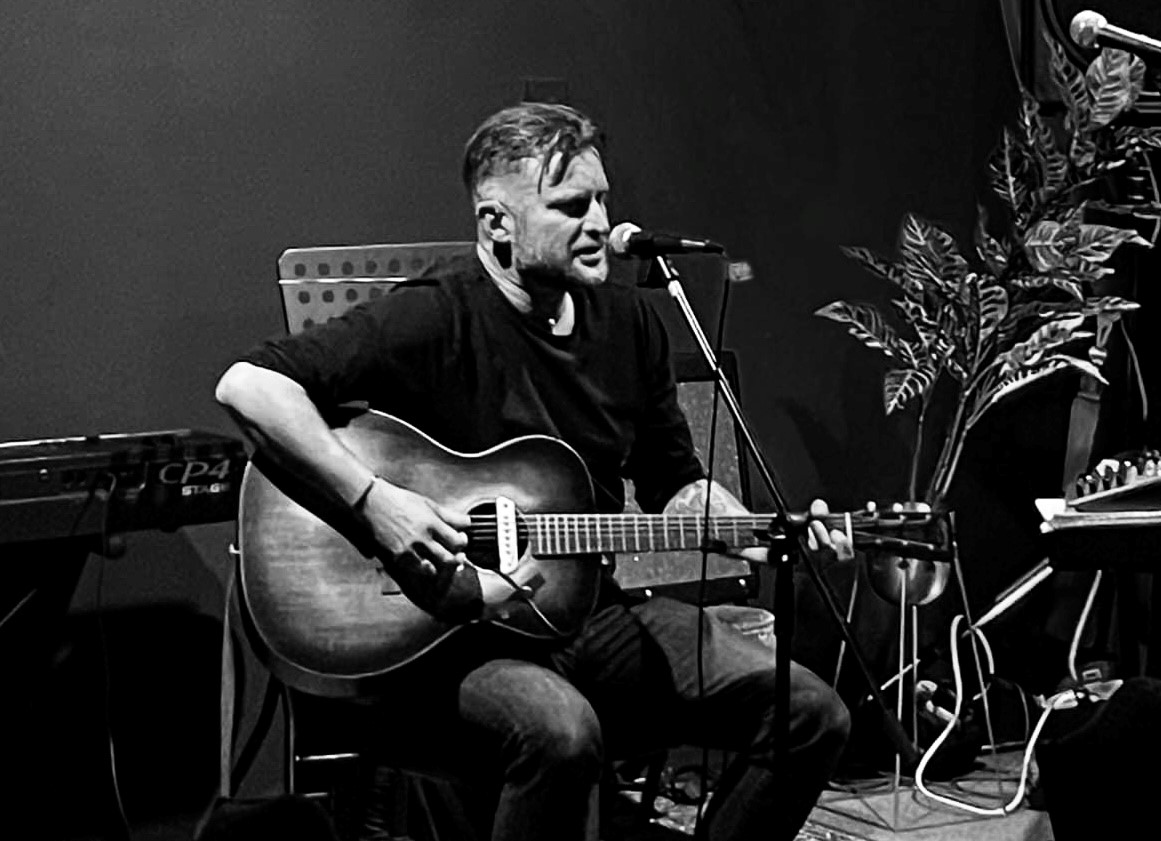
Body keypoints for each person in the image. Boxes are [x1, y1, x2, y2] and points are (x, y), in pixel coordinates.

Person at [215, 101, 852, 841]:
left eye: (602, 199)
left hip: (589, 617)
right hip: (448, 640)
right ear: (497, 223)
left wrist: (754, 532)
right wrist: (376, 503)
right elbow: (248, 385)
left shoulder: (631, 323)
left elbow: (674, 480)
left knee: (811, 711)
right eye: (572, 206)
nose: (600, 222)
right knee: (560, 732)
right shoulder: (436, 315)